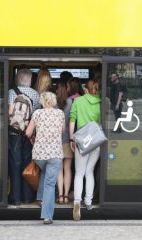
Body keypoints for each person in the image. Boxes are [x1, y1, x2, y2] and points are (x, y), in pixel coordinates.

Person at [25, 92, 65, 224]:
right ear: (53, 101)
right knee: (50, 184)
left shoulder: (37, 113)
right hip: (55, 154)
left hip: (39, 154)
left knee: (46, 174)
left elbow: (28, 132)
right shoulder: (60, 114)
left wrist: (34, 139)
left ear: (43, 101)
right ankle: (47, 216)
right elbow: (62, 131)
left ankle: (40, 198)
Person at [69, 79, 101, 221]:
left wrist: (71, 139)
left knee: (79, 173)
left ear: (86, 90)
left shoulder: (78, 101)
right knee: (90, 171)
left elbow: (72, 120)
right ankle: (88, 201)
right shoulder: (102, 102)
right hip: (95, 138)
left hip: (82, 138)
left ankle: (77, 202)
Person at [8, 68, 39, 206]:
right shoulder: (35, 94)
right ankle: (27, 196)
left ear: (17, 79)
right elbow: (36, 115)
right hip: (28, 134)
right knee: (27, 164)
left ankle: (15, 198)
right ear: (29, 80)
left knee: (15, 164)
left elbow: (9, 112)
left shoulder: (10, 92)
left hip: (13, 133)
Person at [56, 80, 74, 204]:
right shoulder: (71, 102)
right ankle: (67, 196)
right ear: (67, 89)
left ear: (57, 90)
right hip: (68, 139)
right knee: (67, 168)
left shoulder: (53, 103)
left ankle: (60, 195)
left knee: (59, 169)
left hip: (56, 141)